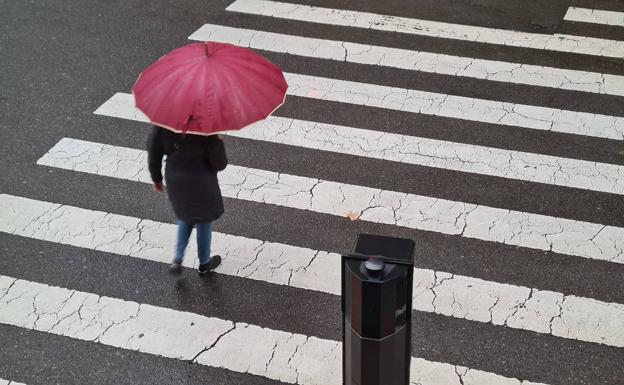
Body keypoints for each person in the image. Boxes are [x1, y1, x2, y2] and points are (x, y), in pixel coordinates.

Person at [147, 125, 228, 275]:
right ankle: (204, 262)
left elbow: (154, 153)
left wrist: (156, 179)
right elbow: (220, 163)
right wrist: (218, 141)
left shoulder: (164, 124)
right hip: (202, 182)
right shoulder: (206, 128)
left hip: (176, 180)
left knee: (184, 216)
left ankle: (178, 259)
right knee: (204, 220)